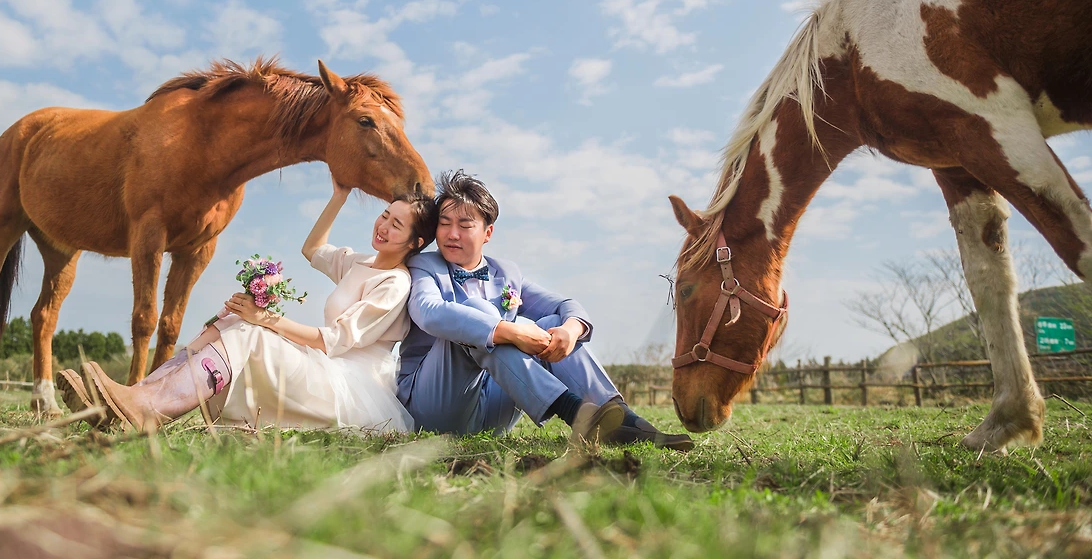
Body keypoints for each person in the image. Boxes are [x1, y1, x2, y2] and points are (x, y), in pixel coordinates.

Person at [58, 181, 437, 433]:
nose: (383, 226)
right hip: (328, 367)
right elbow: (312, 249)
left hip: (349, 387)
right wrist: (340, 194)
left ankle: (145, 410)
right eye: (385, 214)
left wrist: (265, 318)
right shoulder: (359, 262)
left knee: (247, 329)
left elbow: (332, 341)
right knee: (228, 321)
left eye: (397, 225)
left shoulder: (394, 283)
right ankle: (135, 396)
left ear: (415, 241)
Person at [398, 169, 693, 449]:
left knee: (553, 321)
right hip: (436, 407)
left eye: (464, 225)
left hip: (492, 413)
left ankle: (624, 422)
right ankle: (574, 412)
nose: (452, 234)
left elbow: (564, 306)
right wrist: (507, 330)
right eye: (445, 223)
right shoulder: (424, 265)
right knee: (479, 312)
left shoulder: (506, 273)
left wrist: (570, 329)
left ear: (487, 233)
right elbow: (430, 311)